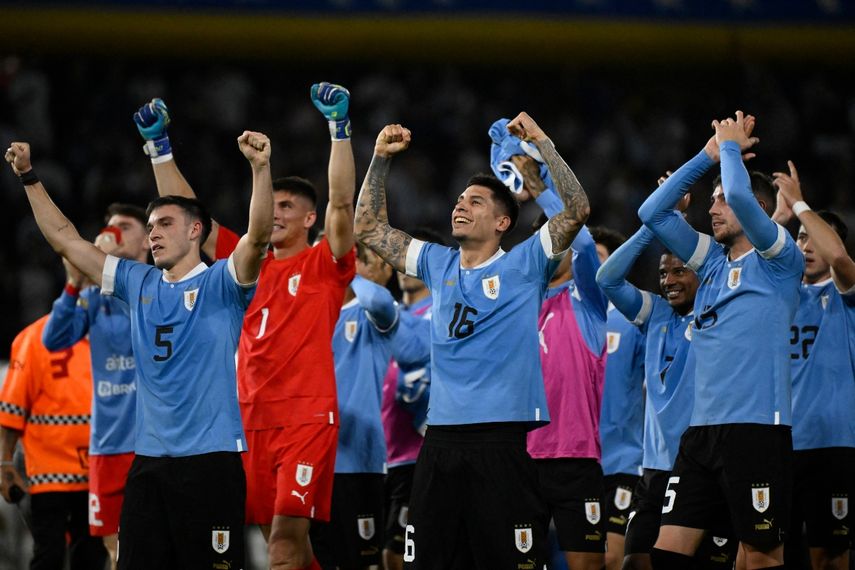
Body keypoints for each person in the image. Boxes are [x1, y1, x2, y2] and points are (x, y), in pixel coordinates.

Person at [5, 129, 274, 567]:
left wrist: (260, 169)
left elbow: (258, 237)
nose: (154, 234)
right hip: (148, 465)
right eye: (150, 227)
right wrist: (29, 177)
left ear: (195, 230)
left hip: (211, 463)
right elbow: (67, 241)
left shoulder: (221, 282)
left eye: (165, 224)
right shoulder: (138, 281)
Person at [134, 83, 356, 569]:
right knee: (289, 551)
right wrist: (159, 148)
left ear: (308, 218)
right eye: (270, 206)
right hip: (248, 418)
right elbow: (189, 217)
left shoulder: (325, 264)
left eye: (287, 208)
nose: (274, 215)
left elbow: (342, 205)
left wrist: (339, 130)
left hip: (306, 417)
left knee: (281, 546)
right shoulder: (245, 263)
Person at [354, 113, 590, 568]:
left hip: (501, 445)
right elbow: (368, 229)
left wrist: (542, 141)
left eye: (476, 201)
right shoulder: (438, 263)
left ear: (503, 221)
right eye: (460, 199)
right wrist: (380, 159)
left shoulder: (526, 264)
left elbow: (576, 211)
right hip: (439, 444)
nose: (460, 206)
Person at [636, 111, 803, 569]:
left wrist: (730, 147)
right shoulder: (710, 263)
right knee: (667, 554)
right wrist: (708, 154)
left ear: (759, 210)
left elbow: (741, 200)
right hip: (700, 433)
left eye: (720, 201)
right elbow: (652, 213)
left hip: (755, 430)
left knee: (760, 557)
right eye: (711, 201)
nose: (712, 209)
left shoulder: (779, 260)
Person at [509, 146, 608, 570]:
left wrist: (540, 188)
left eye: (558, 243)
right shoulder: (516, 305)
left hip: (575, 458)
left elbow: (584, 243)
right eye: (546, 244)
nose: (554, 252)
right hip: (520, 457)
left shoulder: (588, 300)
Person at [41, 203, 149, 569]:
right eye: (109, 226)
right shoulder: (93, 298)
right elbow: (53, 340)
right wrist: (74, 281)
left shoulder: (158, 289)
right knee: (115, 551)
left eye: (124, 226)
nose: (112, 232)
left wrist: (105, 270)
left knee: (155, 547)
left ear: (148, 238)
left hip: (152, 442)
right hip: (107, 444)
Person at [771, 162, 855, 570]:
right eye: (800, 238)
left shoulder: (846, 296)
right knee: (768, 553)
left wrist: (801, 203)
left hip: (831, 444)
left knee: (829, 556)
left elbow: (839, 258)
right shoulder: (780, 297)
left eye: (813, 239)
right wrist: (778, 218)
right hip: (778, 444)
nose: (805, 245)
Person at [311, 244, 401, 570]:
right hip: (310, 461)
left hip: (359, 462)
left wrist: (343, 268)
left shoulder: (374, 315)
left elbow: (378, 300)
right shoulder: (309, 319)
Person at [0, 316, 107, 569]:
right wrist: (4, 462)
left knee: (90, 555)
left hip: (95, 472)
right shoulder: (33, 338)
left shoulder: (111, 333)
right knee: (50, 553)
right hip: (50, 473)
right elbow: (13, 408)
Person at [589, 226, 646, 570]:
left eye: (598, 259)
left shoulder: (633, 319)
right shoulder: (564, 316)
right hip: (577, 460)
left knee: (612, 557)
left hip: (622, 458)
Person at [381, 229, 438, 570]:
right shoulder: (390, 314)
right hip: (382, 456)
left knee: (400, 555)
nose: (404, 264)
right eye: (400, 256)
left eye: (412, 257)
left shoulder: (441, 312)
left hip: (419, 456)